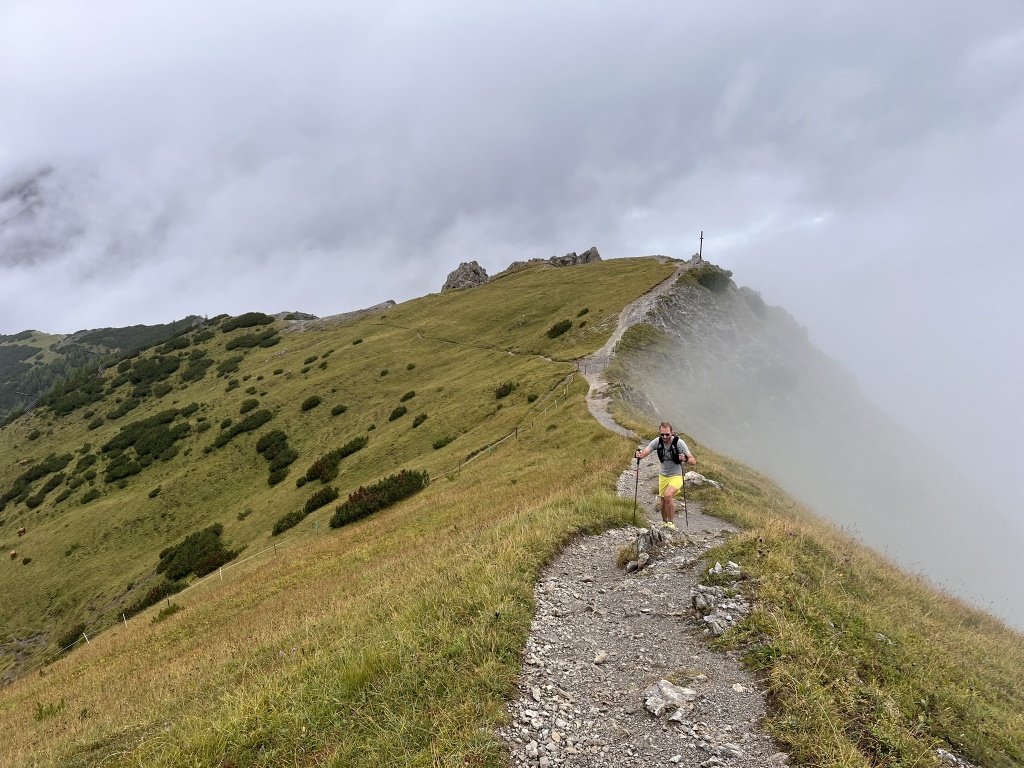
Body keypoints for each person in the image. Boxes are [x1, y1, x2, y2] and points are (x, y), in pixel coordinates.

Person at [634, 421, 696, 530]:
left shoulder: (679, 443)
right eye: (662, 434)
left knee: (668, 496)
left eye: (667, 434)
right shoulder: (657, 442)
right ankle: (664, 522)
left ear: (672, 432)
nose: (664, 436)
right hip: (663, 475)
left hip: (677, 475)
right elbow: (643, 454)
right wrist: (638, 455)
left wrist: (685, 459)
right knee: (662, 500)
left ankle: (671, 523)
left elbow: (693, 460)